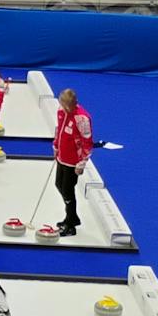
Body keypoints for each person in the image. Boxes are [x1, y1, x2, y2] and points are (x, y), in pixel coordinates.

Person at [53, 86, 94, 238]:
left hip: (73, 162)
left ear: (70, 105)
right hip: (62, 157)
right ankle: (71, 217)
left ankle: (71, 225)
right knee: (59, 184)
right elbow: (59, 129)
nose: (61, 107)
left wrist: (82, 163)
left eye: (64, 105)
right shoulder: (60, 111)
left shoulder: (82, 118)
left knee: (68, 191)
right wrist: (55, 146)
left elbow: (87, 142)